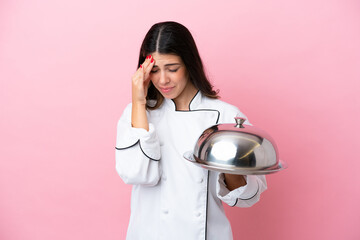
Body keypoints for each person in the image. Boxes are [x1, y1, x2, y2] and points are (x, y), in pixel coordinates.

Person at [115, 21, 267, 240]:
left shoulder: (225, 116)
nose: (163, 80)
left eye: (173, 69)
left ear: (189, 63)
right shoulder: (136, 113)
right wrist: (139, 102)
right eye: (154, 70)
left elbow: (247, 197)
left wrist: (229, 165)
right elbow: (136, 173)